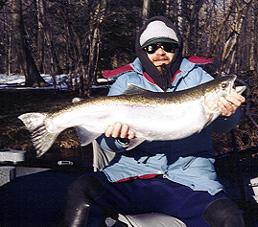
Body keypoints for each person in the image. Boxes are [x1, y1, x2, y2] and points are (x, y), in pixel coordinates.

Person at [62, 16, 246, 227]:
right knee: (81, 190)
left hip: (189, 181)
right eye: (151, 48)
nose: (160, 53)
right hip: (132, 176)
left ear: (178, 49)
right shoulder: (126, 82)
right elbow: (106, 143)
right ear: (142, 51)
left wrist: (228, 114)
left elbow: (222, 128)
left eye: (168, 46)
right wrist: (118, 140)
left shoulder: (200, 79)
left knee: (228, 217)